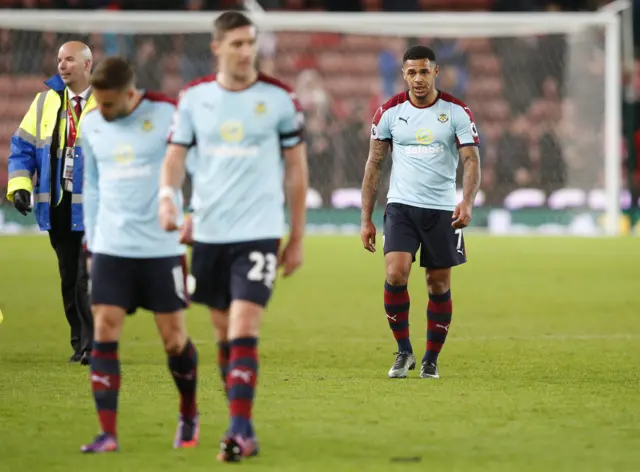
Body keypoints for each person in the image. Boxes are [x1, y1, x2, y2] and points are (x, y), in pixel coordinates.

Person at [158, 10, 308, 462]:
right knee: (224, 335)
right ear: (217, 48)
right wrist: (168, 198)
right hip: (208, 233)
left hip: (259, 233)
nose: (248, 52)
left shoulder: (280, 99)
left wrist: (296, 236)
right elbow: (175, 157)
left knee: (245, 325)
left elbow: (297, 171)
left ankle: (240, 431)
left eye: (252, 43)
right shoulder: (194, 98)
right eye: (238, 44)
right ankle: (242, 425)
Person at [79, 57, 198, 453]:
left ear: (131, 94)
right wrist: (93, 245)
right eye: (98, 102)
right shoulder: (92, 122)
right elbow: (92, 188)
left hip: (161, 248)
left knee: (173, 341)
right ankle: (107, 432)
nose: (103, 111)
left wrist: (195, 214)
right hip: (112, 246)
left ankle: (188, 413)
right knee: (105, 331)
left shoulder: (168, 113)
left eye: (110, 103)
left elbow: (199, 167)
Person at [360, 45, 481, 380]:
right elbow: (375, 164)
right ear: (403, 74)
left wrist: (467, 201)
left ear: (435, 72)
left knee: (437, 284)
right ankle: (403, 352)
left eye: (424, 71)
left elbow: (471, 160)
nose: (418, 79)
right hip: (401, 207)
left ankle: (431, 358)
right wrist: (365, 218)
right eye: (411, 72)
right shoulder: (388, 112)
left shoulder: (457, 111)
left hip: (443, 210)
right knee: (395, 273)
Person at [6, 41, 96, 365]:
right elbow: (22, 147)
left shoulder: (107, 102)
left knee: (89, 276)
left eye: (69, 59)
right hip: (58, 204)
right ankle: (79, 342)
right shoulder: (44, 102)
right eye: (59, 59)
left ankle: (92, 344)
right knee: (69, 276)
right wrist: (19, 185)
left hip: (96, 209)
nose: (62, 65)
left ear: (87, 65)